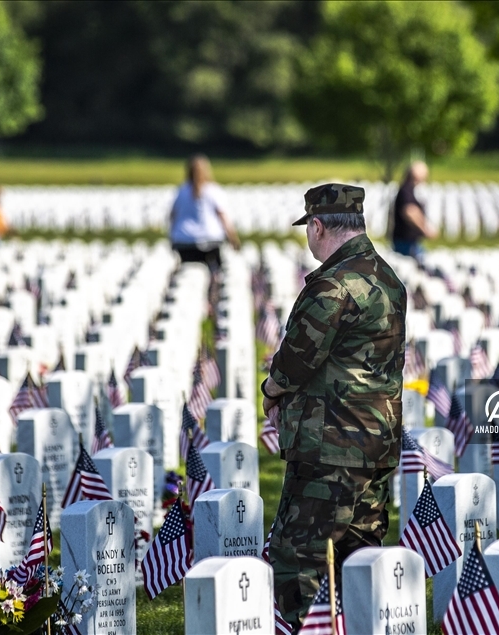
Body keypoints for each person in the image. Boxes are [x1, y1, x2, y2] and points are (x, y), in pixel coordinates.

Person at [261, 183, 407, 630]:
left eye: (310, 228)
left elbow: (295, 362)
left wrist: (269, 391)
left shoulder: (332, 286)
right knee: (360, 559)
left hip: (329, 449)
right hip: (375, 444)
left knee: (299, 561)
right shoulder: (388, 279)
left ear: (318, 225)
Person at [169, 154, 240, 270]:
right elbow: (222, 216)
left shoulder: (181, 191)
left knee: (189, 271)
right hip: (210, 240)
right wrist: (233, 238)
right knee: (214, 273)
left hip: (184, 241)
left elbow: (172, 216)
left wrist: (172, 238)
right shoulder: (213, 191)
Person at [389, 161, 437, 259]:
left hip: (409, 241)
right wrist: (425, 229)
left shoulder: (408, 189)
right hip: (406, 242)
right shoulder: (406, 190)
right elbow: (410, 211)